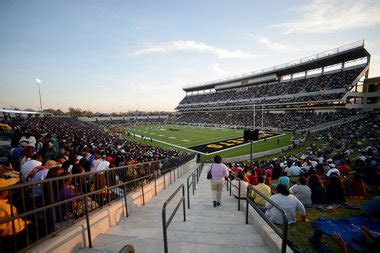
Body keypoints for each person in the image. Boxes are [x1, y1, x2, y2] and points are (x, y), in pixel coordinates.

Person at [0, 178, 29, 252]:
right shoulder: (7, 208)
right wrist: (27, 222)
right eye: (8, 188)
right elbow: (15, 227)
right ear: (3, 192)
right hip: (11, 239)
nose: (10, 190)